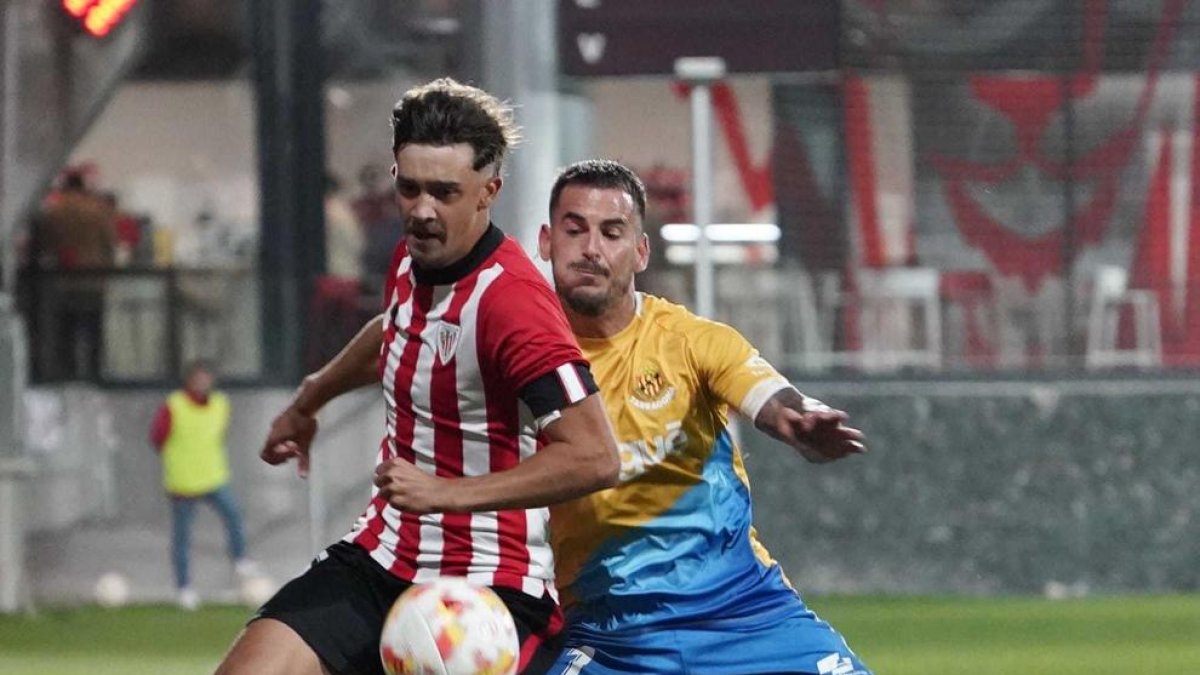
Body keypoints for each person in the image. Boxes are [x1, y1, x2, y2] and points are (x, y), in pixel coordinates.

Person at [215, 79, 621, 675]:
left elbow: (594, 456)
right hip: (381, 556)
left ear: (489, 192)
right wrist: (313, 395)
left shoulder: (512, 302)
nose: (423, 210)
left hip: (488, 585)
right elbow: (397, 330)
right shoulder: (413, 258)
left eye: (444, 192)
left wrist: (446, 494)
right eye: (410, 188)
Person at [537, 160, 873, 675]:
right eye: (574, 229)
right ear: (546, 241)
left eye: (611, 232)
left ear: (640, 251)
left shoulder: (692, 341)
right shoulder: (523, 360)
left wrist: (801, 420)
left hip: (746, 614)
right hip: (611, 636)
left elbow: (770, 398)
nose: (590, 249)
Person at [149, 359, 256, 610]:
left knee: (233, 514)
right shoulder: (174, 405)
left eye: (206, 378)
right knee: (183, 537)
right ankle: (184, 588)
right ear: (189, 380)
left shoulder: (220, 404)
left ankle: (240, 559)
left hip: (213, 476)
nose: (202, 383)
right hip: (183, 480)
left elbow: (219, 434)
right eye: (198, 378)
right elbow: (157, 438)